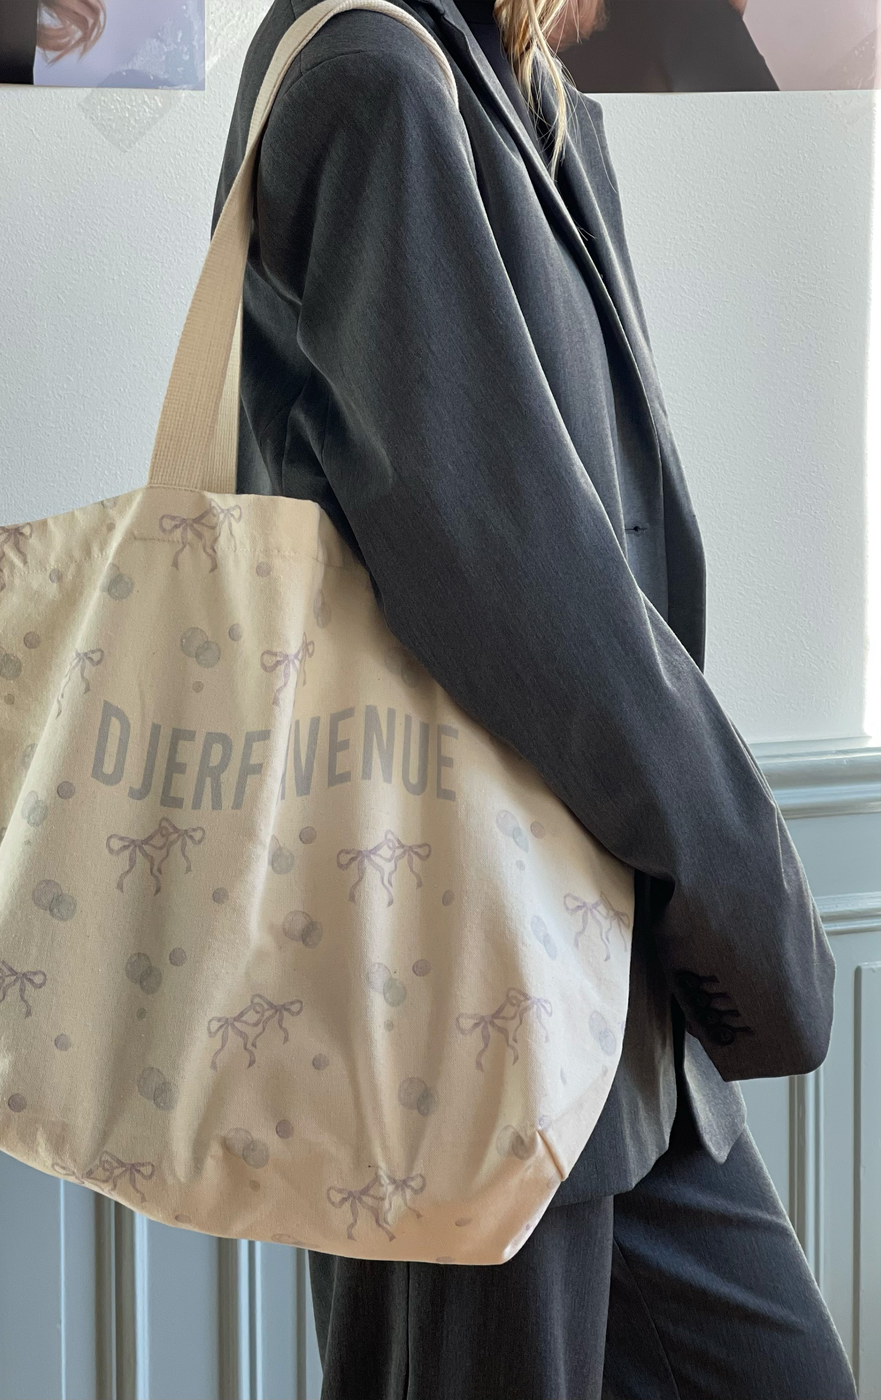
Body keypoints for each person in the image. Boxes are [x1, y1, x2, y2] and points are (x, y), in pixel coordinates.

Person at [210, 0, 859, 1394]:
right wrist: (735, 879)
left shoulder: (512, 83)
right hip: (464, 983)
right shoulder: (376, 78)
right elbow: (520, 575)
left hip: (600, 994)